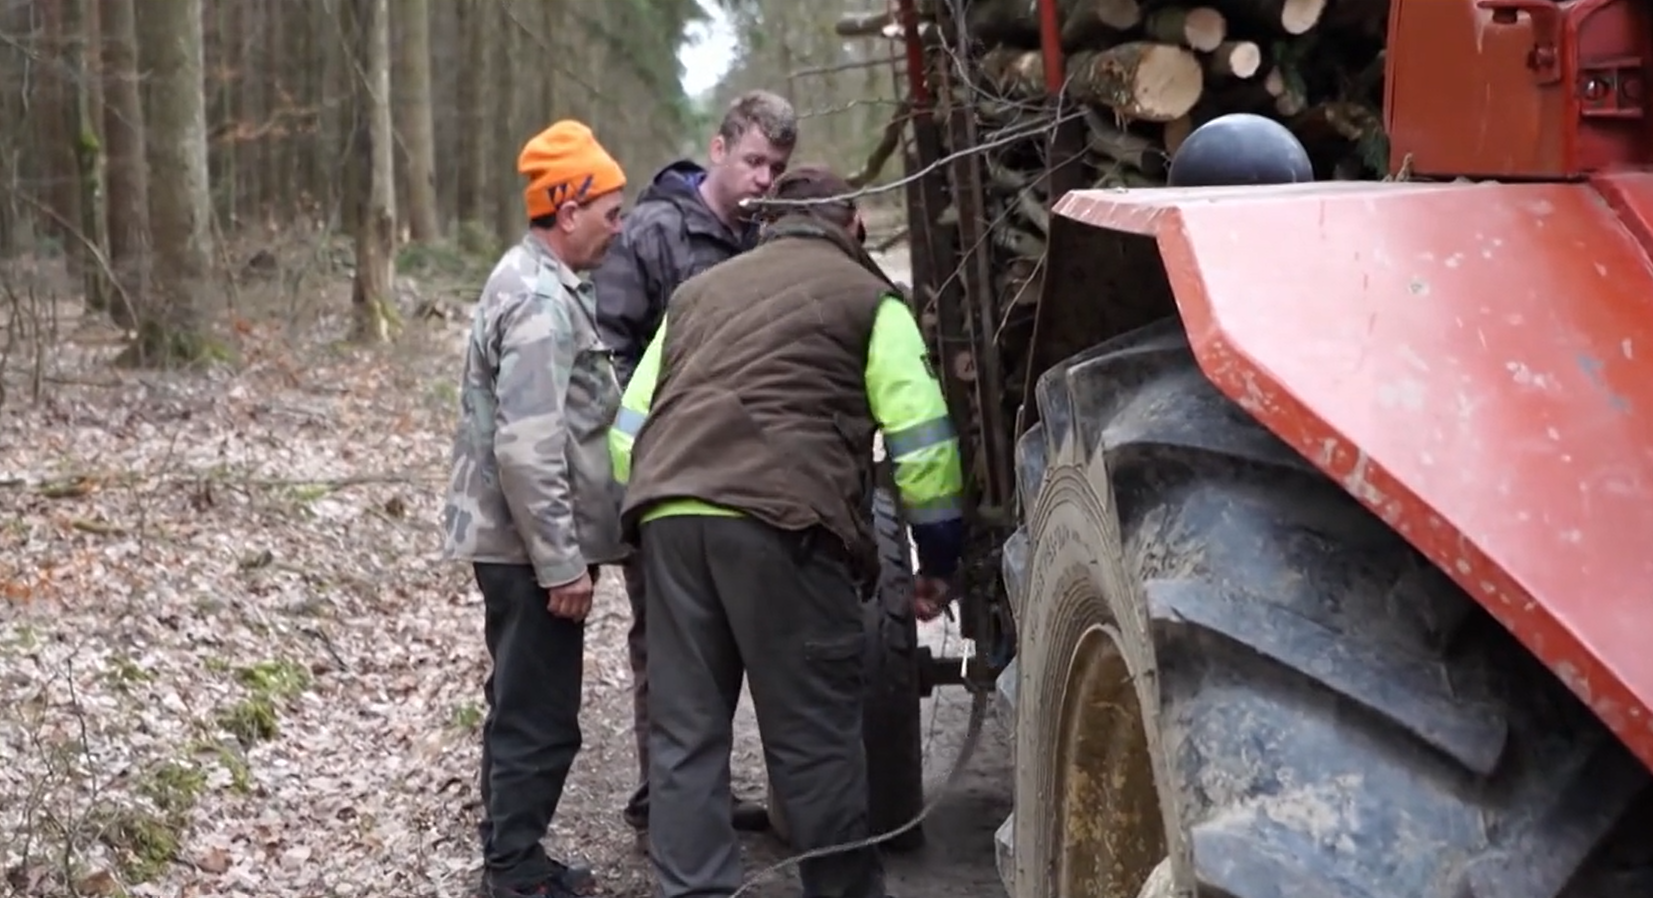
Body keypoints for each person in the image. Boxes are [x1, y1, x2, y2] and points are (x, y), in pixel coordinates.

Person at [607, 166, 965, 898]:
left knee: (685, 736)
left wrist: (665, 507)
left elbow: (625, 434)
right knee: (813, 740)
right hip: (785, 530)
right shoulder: (869, 301)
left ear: (767, 224)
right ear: (851, 224)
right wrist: (938, 556)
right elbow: (922, 442)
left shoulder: (696, 296)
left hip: (669, 518)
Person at [591, 88, 799, 845]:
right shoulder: (651, 233)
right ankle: (661, 807)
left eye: (776, 167)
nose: (762, 180)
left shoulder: (770, 239)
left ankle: (709, 795)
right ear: (718, 151)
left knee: (735, 645)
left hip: (750, 478)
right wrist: (640, 451)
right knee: (667, 652)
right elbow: (604, 347)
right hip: (666, 475)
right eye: (751, 161)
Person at [440, 119, 628, 898]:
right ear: (568, 206)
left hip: (521, 545)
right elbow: (526, 449)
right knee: (538, 715)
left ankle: (515, 856)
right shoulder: (540, 305)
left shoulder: (536, 283)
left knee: (524, 704)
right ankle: (514, 872)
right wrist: (560, 563)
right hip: (528, 553)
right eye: (611, 212)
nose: (619, 228)